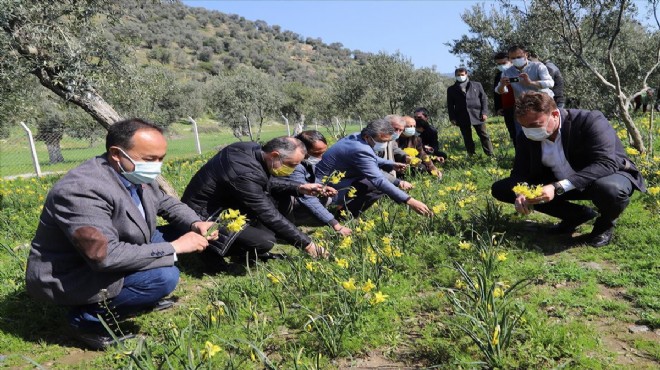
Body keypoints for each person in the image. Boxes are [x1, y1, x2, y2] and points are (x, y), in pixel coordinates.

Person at [25, 119, 217, 350]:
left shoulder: (132, 171)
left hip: (118, 244)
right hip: (78, 270)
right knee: (163, 277)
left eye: (161, 158)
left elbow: (165, 203)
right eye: (150, 159)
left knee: (182, 229)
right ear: (117, 153)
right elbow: (104, 256)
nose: (157, 166)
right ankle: (86, 320)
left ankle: (135, 299)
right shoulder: (81, 190)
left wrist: (195, 223)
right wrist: (175, 247)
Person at [491, 92, 646, 247]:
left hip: (603, 176)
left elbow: (606, 163)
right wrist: (521, 191)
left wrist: (557, 187)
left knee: (610, 190)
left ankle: (604, 227)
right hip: (558, 180)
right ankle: (576, 215)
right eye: (524, 126)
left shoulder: (589, 121)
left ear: (555, 114)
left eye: (536, 125)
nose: (529, 131)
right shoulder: (527, 136)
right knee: (502, 188)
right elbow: (519, 172)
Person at [181, 136, 329, 271]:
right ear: (275, 155)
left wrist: (299, 187)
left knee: (278, 206)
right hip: (204, 216)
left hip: (226, 205)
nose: (293, 169)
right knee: (264, 241)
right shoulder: (243, 173)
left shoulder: (251, 150)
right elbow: (268, 213)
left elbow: (263, 181)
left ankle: (245, 251)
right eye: (291, 164)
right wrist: (308, 245)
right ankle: (209, 253)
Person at [315, 119, 433, 218]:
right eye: (382, 141)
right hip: (327, 186)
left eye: (387, 141)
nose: (384, 144)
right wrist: (409, 201)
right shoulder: (360, 149)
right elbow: (379, 180)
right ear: (368, 136)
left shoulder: (358, 137)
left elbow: (370, 158)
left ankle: (343, 212)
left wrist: (391, 163)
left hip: (338, 177)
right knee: (376, 186)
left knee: (371, 183)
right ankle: (343, 217)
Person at [278, 130, 352, 236]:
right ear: (302, 149)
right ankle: (285, 227)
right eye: (316, 153)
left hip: (292, 195)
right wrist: (335, 224)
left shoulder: (305, 160)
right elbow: (306, 197)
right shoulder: (295, 165)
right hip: (281, 200)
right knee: (311, 199)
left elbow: (311, 179)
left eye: (323, 152)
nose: (320, 157)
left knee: (326, 198)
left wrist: (322, 188)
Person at [447, 67, 494, 156]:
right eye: (458, 75)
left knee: (484, 135)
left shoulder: (477, 85)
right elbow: (450, 105)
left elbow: (483, 99)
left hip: (477, 114)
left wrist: (484, 112)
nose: (460, 76)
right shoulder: (451, 89)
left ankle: (490, 154)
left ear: (466, 74)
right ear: (455, 76)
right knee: (467, 137)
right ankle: (471, 155)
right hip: (461, 115)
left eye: (462, 75)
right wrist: (452, 118)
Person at [493, 52, 518, 145]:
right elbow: (496, 93)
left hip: (520, 106)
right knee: (513, 133)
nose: (501, 66)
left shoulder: (518, 72)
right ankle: (519, 156)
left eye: (503, 63)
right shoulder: (498, 76)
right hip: (507, 108)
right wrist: (498, 108)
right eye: (499, 64)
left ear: (510, 61)